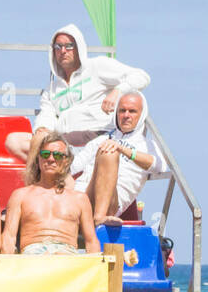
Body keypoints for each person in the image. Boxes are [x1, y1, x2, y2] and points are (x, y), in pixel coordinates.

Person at [4, 23, 149, 162]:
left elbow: (142, 76)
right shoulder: (52, 88)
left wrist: (118, 91)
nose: (63, 51)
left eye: (69, 46)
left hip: (95, 134)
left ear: (79, 47)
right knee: (14, 141)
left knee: (47, 148)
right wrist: (42, 129)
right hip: (63, 139)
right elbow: (46, 114)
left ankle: (54, 176)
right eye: (58, 46)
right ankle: (58, 176)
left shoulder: (97, 66)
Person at [68, 91, 159, 225]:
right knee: (52, 155)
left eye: (132, 111)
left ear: (141, 115)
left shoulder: (147, 145)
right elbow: (73, 166)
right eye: (122, 111)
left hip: (110, 204)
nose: (126, 115)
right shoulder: (101, 139)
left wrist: (122, 149)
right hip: (80, 197)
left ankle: (99, 217)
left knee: (109, 153)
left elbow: (157, 166)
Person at [2, 130, 99, 255]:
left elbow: (91, 241)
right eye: (45, 154)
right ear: (38, 159)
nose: (51, 159)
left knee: (61, 256)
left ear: (66, 161)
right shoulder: (20, 195)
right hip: (33, 256)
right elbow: (8, 238)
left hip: (67, 256)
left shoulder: (80, 199)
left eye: (58, 155)